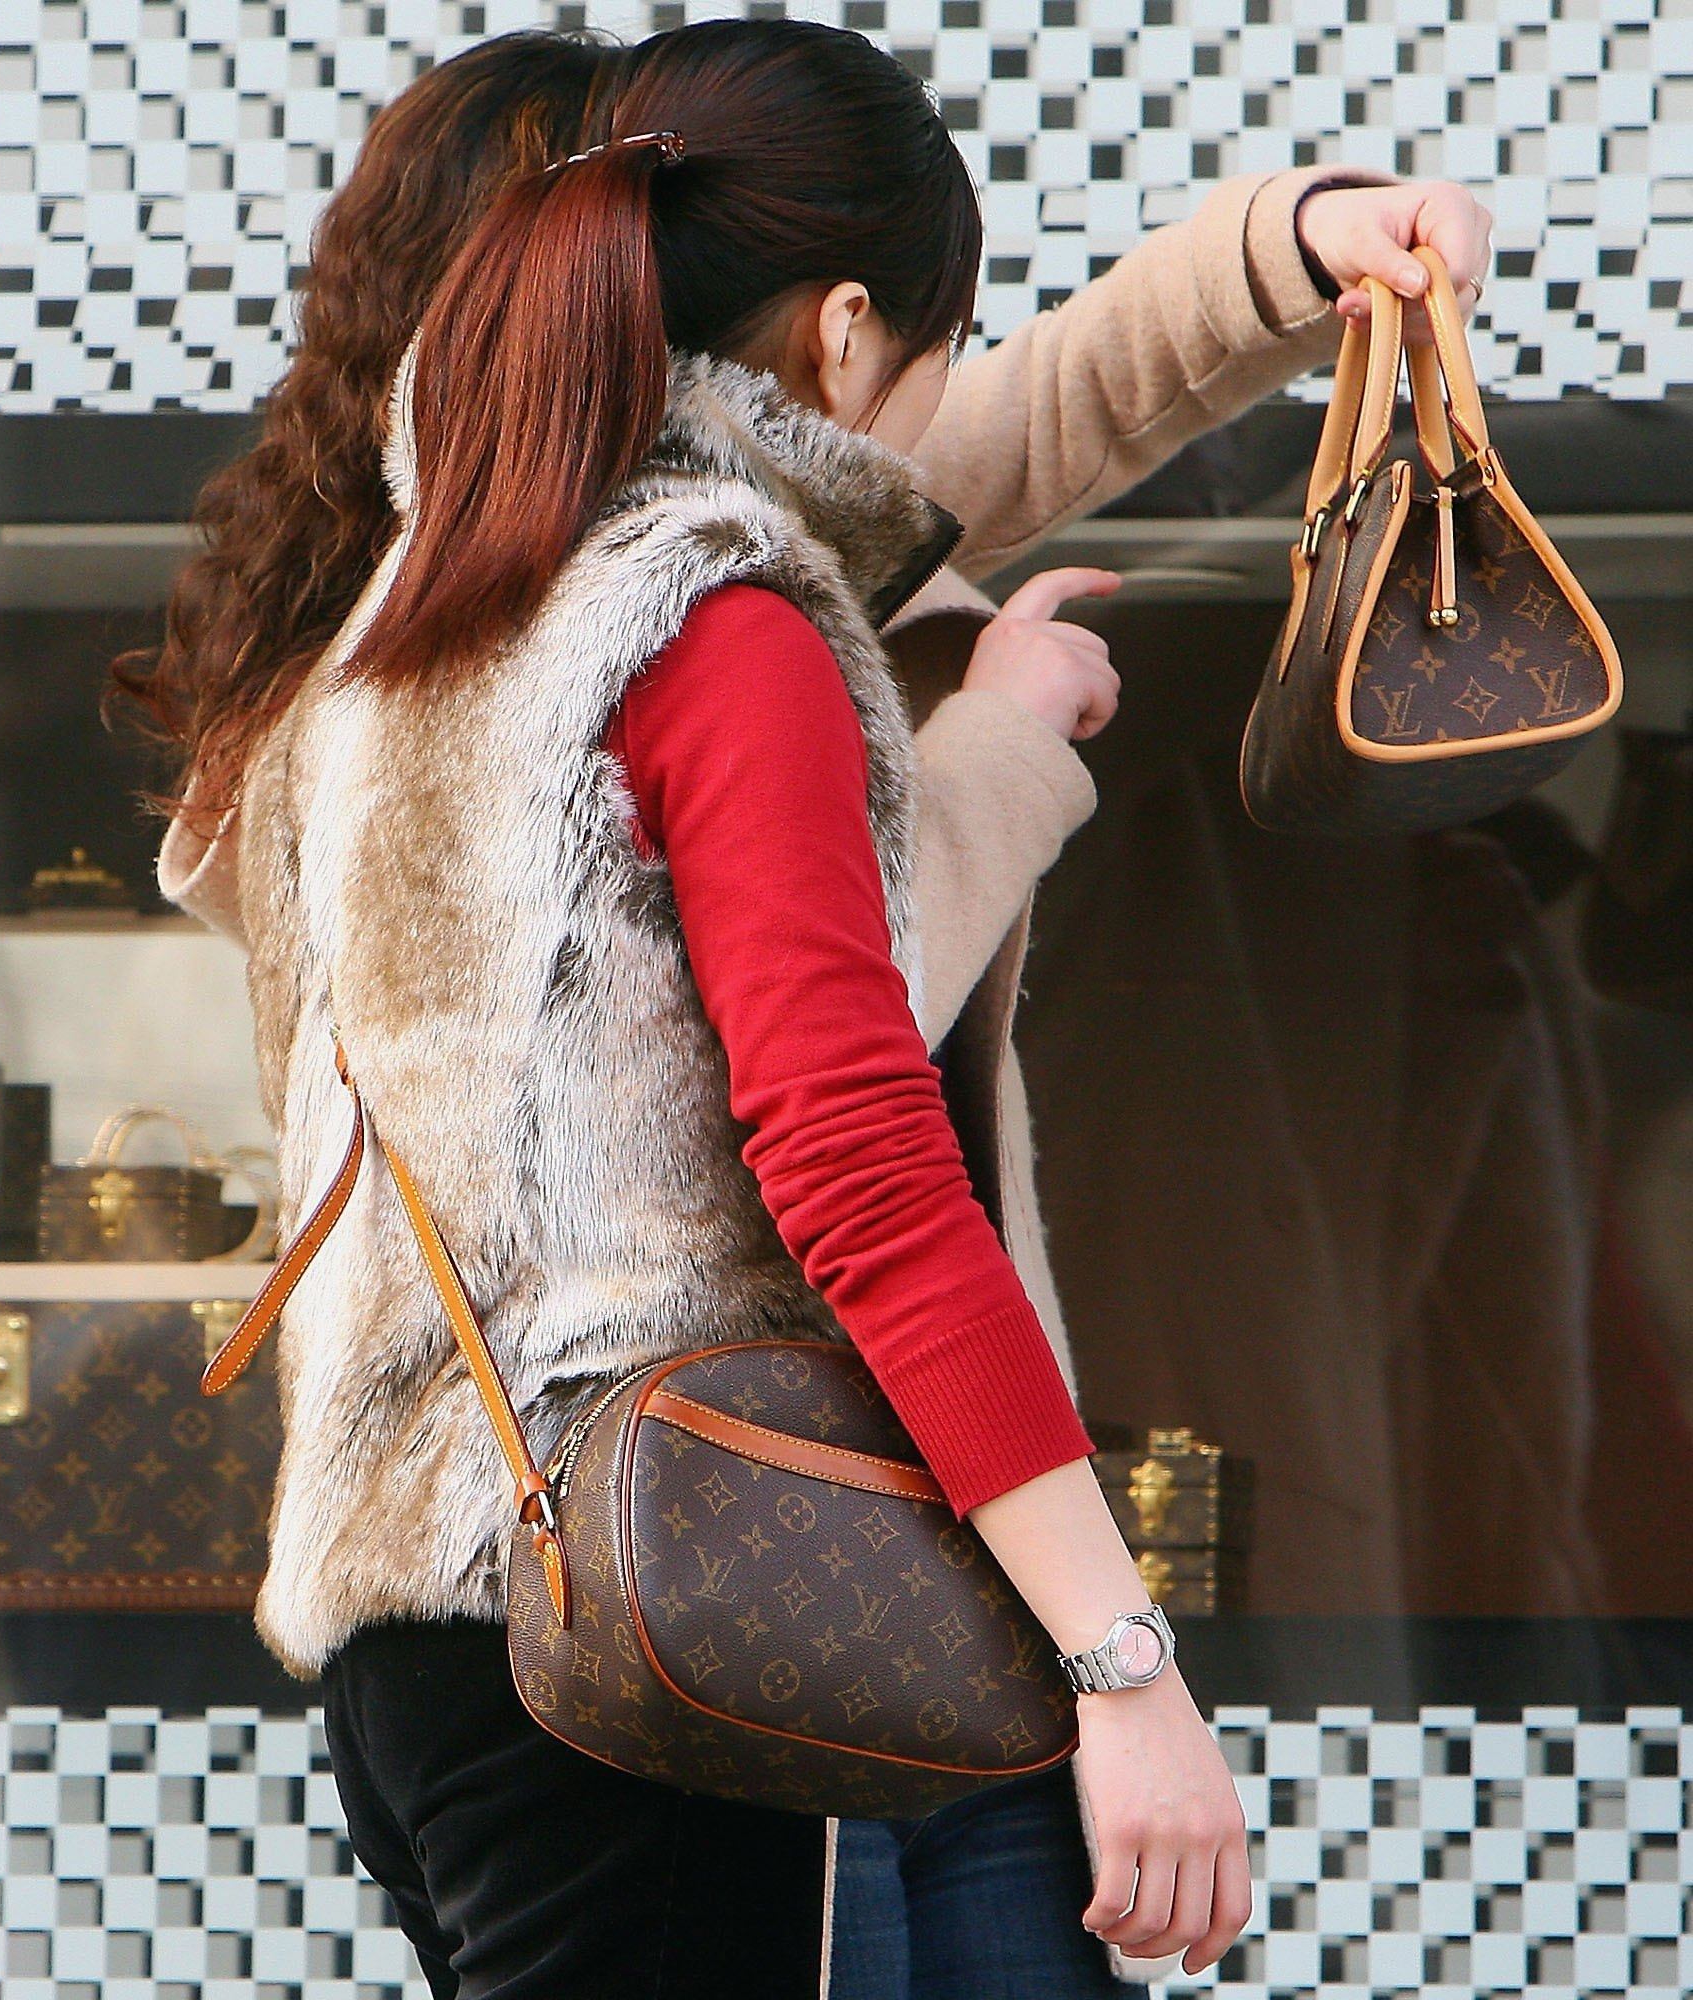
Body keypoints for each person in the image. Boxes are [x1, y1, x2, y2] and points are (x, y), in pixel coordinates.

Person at [119, 19, 1490, 1998]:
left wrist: (1294, 250)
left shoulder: (382, 644)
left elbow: (1022, 424)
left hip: (475, 1598)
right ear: (839, 333)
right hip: (708, 1574)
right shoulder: (706, 619)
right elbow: (839, 1149)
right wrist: (1129, 1661)